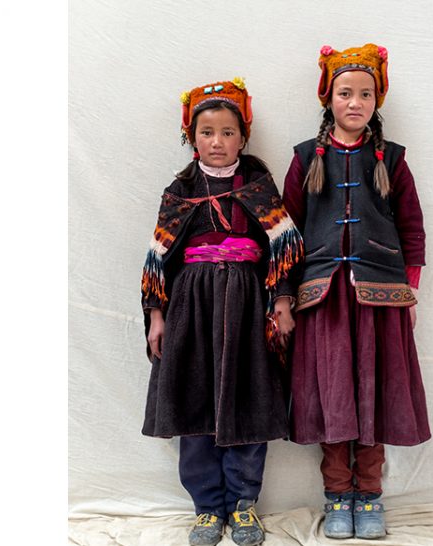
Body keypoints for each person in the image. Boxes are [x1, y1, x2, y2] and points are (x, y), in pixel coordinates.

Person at [140, 78, 303, 546]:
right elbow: (158, 259)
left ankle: (243, 505)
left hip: (249, 306)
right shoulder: (180, 189)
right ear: (191, 136)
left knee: (248, 402)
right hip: (191, 307)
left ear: (243, 136)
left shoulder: (257, 185)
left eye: (228, 132)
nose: (217, 141)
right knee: (195, 405)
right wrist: (157, 315)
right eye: (207, 131)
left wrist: (284, 302)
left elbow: (285, 248)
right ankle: (208, 508)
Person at [281, 44, 431, 540]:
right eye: (345, 92)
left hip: (379, 299)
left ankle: (368, 496)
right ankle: (336, 496)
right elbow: (287, 233)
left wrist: (409, 292)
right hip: (323, 300)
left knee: (372, 395)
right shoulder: (306, 159)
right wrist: (282, 296)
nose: (355, 102)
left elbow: (411, 229)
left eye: (365, 94)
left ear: (376, 99)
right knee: (333, 398)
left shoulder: (392, 159)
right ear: (329, 97)